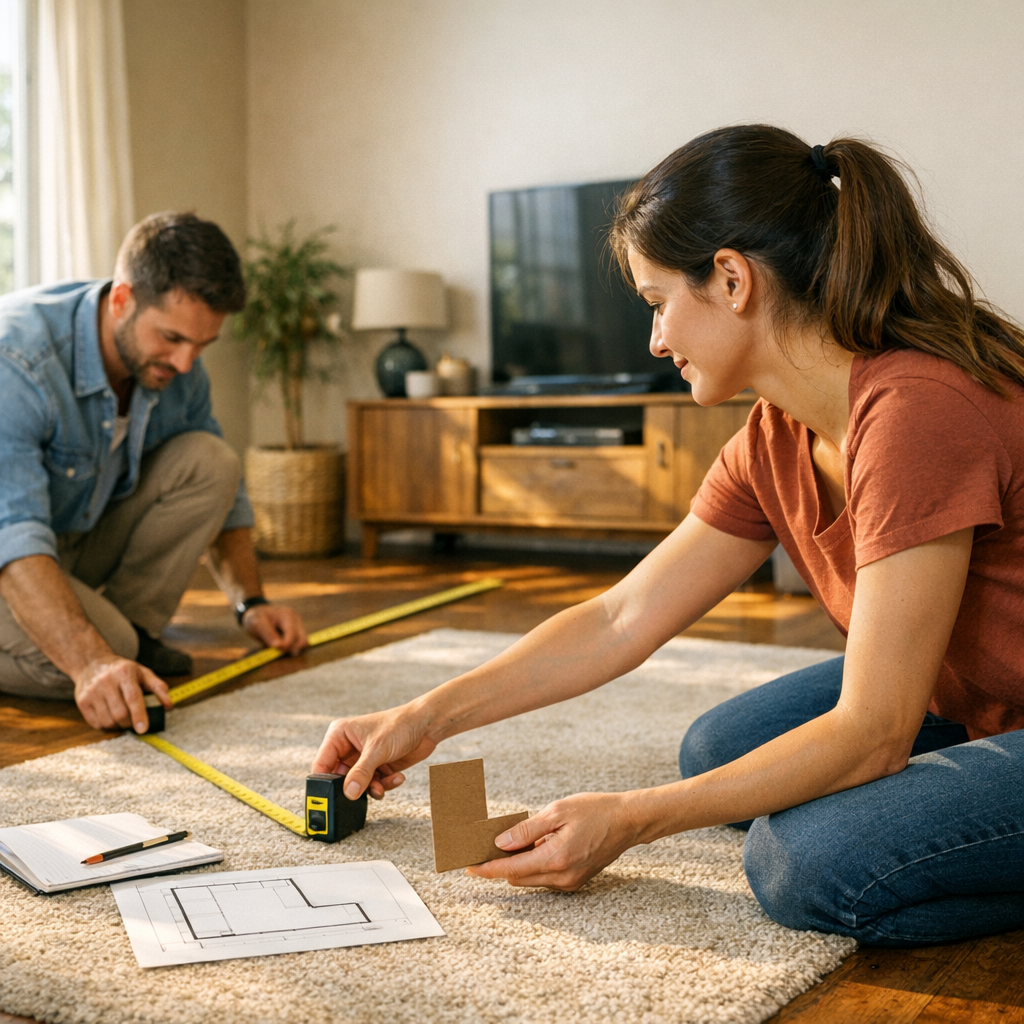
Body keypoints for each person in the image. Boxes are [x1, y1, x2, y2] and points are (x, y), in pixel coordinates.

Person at [311, 126, 1024, 947]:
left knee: (805, 861)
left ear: (731, 280)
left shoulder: (914, 411)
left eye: (657, 304)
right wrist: (423, 716)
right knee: (718, 749)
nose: (655, 342)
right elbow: (623, 617)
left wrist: (632, 820)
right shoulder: (775, 434)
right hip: (974, 693)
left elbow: (873, 732)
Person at [0, 212, 307, 735]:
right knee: (105, 651)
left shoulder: (174, 365)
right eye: (171, 339)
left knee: (213, 460)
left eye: (201, 346)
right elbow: (15, 535)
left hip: (66, 542)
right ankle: (116, 651)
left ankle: (127, 642)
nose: (186, 363)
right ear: (122, 300)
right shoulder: (17, 361)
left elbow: (223, 492)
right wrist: (91, 661)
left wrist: (250, 603)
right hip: (13, 558)